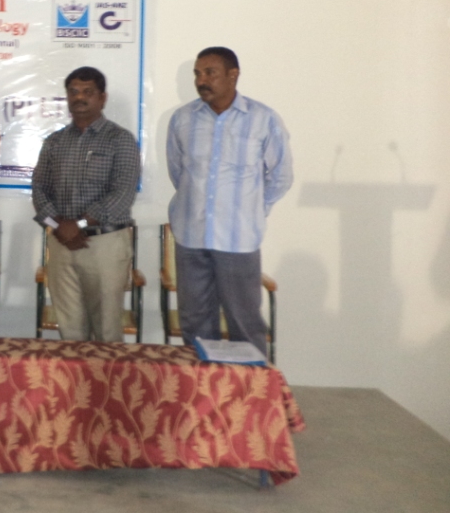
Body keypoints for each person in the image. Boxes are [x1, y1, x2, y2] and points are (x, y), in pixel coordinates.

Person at [167, 46, 293, 356]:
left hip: (238, 241)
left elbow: (281, 176)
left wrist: (251, 210)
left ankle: (248, 387)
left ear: (233, 75)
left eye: (210, 73)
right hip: (191, 238)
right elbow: (178, 172)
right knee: (194, 323)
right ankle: (202, 385)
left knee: (244, 324)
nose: (201, 80)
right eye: (198, 74)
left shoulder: (263, 119)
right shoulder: (182, 119)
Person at [31, 67, 141, 342]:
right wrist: (58, 225)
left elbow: (122, 193)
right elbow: (39, 190)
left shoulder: (120, 139)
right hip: (61, 245)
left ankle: (108, 374)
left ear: (102, 98)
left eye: (88, 92)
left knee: (106, 332)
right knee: (69, 333)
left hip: (104, 246)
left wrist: (78, 224)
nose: (79, 97)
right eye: (73, 92)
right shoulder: (54, 142)